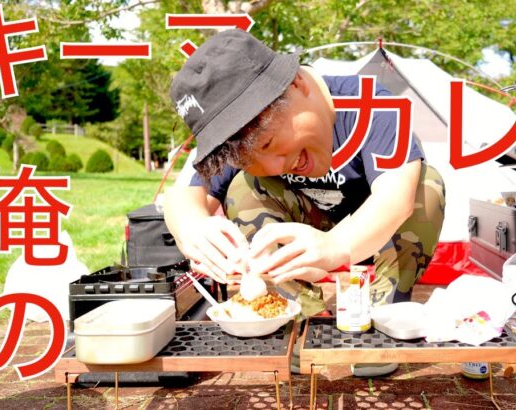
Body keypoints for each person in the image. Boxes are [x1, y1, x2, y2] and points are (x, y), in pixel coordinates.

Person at [165, 29, 446, 374]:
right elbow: (184, 198)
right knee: (243, 187)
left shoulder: (373, 104)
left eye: (267, 144)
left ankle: (380, 315)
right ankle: (300, 318)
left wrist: (336, 245)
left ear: (297, 84)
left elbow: (395, 199)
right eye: (251, 158)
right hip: (299, 232)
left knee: (427, 185)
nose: (273, 167)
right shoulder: (243, 147)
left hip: (374, 232)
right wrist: (194, 230)